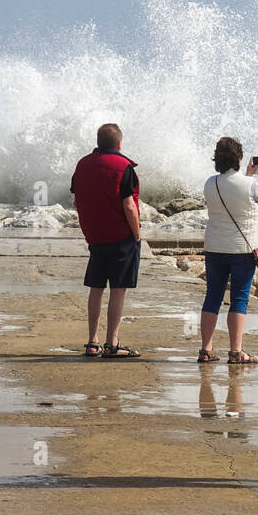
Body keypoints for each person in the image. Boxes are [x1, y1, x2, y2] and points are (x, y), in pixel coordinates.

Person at [71, 123, 142, 358]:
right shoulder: (124, 167)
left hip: (95, 236)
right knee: (118, 289)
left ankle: (92, 342)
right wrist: (137, 233)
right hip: (121, 236)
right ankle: (112, 343)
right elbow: (129, 206)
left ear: (99, 142)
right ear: (119, 144)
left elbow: (76, 200)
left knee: (96, 287)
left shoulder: (82, 165)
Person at [198, 137, 258, 364]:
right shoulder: (250, 184)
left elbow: (232, 192)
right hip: (242, 250)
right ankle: (236, 351)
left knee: (212, 297)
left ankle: (206, 349)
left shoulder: (210, 183)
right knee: (239, 299)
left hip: (214, 248)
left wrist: (249, 176)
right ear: (239, 158)